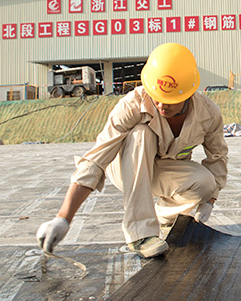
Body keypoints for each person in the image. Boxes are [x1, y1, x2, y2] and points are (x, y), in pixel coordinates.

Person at [37, 43, 228, 258]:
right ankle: (140, 234)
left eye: (170, 101)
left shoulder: (208, 114)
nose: (161, 105)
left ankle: (165, 218)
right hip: (125, 167)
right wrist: (63, 218)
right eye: (156, 97)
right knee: (141, 133)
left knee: (206, 183)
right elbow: (96, 159)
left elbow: (218, 158)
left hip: (162, 171)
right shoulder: (132, 105)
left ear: (189, 94)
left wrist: (210, 200)